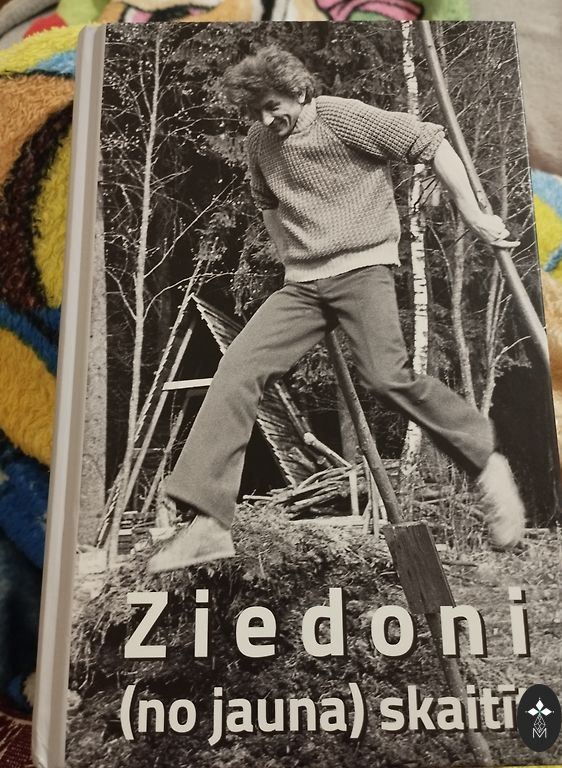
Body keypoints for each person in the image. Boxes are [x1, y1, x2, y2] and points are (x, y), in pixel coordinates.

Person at [148, 45, 525, 573]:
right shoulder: (260, 142)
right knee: (236, 368)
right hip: (303, 285)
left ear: (300, 92)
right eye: (255, 112)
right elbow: (267, 203)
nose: (266, 120)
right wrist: (289, 258)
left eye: (274, 106)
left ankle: (486, 462)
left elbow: (431, 142)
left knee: (386, 377)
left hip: (363, 269)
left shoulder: (343, 118)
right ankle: (209, 522)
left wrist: (474, 214)